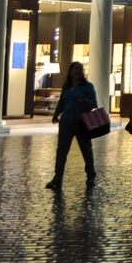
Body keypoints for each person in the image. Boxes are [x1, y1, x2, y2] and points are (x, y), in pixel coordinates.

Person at [45, 62, 97, 190]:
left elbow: (94, 104)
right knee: (62, 150)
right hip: (66, 121)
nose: (79, 70)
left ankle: (91, 174)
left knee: (86, 149)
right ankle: (57, 177)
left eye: (81, 68)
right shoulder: (66, 86)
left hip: (82, 122)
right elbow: (62, 101)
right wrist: (56, 114)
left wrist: (85, 101)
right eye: (76, 68)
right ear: (71, 71)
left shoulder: (88, 86)